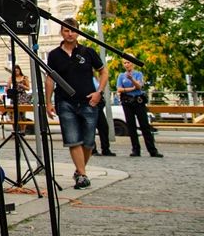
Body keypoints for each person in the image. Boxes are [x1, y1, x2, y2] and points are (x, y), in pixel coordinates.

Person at [45, 24, 108, 190]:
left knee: (88, 142)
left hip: (88, 100)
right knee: (73, 139)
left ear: (78, 33)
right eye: (66, 30)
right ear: (61, 32)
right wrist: (48, 102)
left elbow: (103, 71)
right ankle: (82, 175)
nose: (70, 34)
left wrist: (99, 92)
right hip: (65, 102)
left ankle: (79, 171)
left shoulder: (88, 52)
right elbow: (50, 79)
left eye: (73, 30)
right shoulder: (54, 55)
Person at [116, 58, 162, 158]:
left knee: (144, 126)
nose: (126, 64)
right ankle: (135, 149)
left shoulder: (138, 74)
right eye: (125, 63)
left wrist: (132, 80)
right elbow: (119, 89)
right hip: (127, 102)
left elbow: (139, 86)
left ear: (132, 63)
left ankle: (152, 150)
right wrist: (130, 88)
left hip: (138, 101)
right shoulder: (121, 76)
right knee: (131, 126)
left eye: (128, 62)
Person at [92, 77, 115, 156]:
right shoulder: (85, 77)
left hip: (98, 105)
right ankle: (92, 149)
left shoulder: (95, 78)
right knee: (91, 127)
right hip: (90, 104)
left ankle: (105, 149)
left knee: (103, 127)